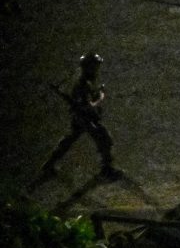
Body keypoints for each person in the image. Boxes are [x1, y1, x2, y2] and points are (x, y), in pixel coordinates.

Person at [40, 52, 123, 180]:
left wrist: (96, 93)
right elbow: (88, 106)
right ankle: (106, 170)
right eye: (95, 66)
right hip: (84, 118)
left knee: (69, 140)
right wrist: (100, 97)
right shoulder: (83, 83)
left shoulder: (87, 80)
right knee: (104, 139)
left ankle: (48, 165)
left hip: (81, 117)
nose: (97, 68)